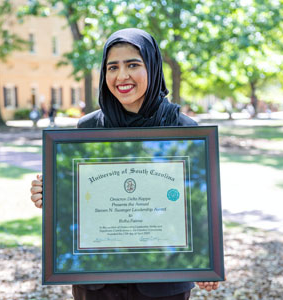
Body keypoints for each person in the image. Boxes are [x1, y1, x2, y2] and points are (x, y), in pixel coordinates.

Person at [31, 28, 220, 299]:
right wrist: (51, 195)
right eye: (112, 67)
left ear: (153, 67)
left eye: (133, 64)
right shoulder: (86, 129)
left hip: (164, 280)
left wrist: (206, 258)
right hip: (97, 280)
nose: (122, 76)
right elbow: (76, 202)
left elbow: (199, 203)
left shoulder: (183, 130)